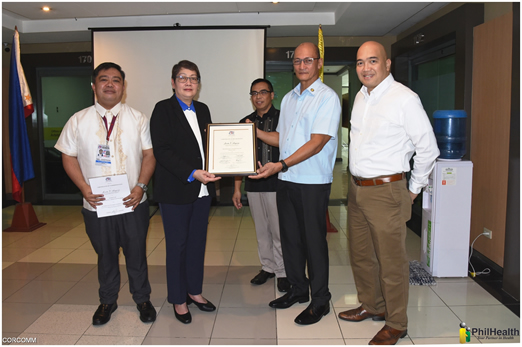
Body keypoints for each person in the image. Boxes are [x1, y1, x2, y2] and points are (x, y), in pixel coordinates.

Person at [338, 41, 439, 345]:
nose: (365, 68)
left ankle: (397, 323)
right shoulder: (360, 96)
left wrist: (412, 189)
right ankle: (373, 305)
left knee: (391, 263)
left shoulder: (404, 99)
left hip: (387, 190)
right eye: (360, 63)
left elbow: (428, 149)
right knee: (361, 256)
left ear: (387, 64)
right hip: (357, 189)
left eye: (372, 61)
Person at [55, 62, 157, 325]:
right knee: (106, 255)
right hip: (96, 204)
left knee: (136, 253)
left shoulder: (138, 118)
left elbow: (149, 155)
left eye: (116, 80)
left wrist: (141, 186)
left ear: (123, 87)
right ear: (93, 86)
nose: (110, 84)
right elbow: (68, 156)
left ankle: (142, 299)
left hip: (133, 202)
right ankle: (107, 301)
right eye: (104, 79)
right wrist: (84, 189)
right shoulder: (78, 120)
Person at [250, 42, 341, 325]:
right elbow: (284, 139)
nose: (302, 65)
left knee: (314, 243)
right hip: (286, 180)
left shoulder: (327, 98)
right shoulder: (289, 98)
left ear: (319, 63)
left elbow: (317, 142)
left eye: (308, 60)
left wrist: (281, 164)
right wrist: (251, 132)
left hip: (312, 181)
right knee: (290, 239)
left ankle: (320, 300)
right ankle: (298, 290)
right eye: (298, 61)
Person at [150, 60, 221, 324]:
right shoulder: (163, 109)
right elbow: (163, 151)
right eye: (182, 78)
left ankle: (195, 292)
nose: (188, 82)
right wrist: (193, 172)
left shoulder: (203, 109)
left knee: (197, 245)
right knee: (177, 246)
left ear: (198, 84)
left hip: (202, 191)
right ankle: (179, 299)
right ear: (173, 82)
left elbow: (210, 146)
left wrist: (218, 165)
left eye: (193, 78)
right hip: (176, 190)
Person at [232, 78, 290, 293]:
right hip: (253, 185)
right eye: (254, 93)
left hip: (278, 183)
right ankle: (268, 267)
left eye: (263, 92)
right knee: (261, 231)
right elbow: (238, 158)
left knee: (278, 229)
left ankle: (283, 271)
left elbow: (281, 140)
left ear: (272, 95)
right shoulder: (244, 121)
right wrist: (237, 188)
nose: (258, 96)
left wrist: (254, 131)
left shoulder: (283, 118)